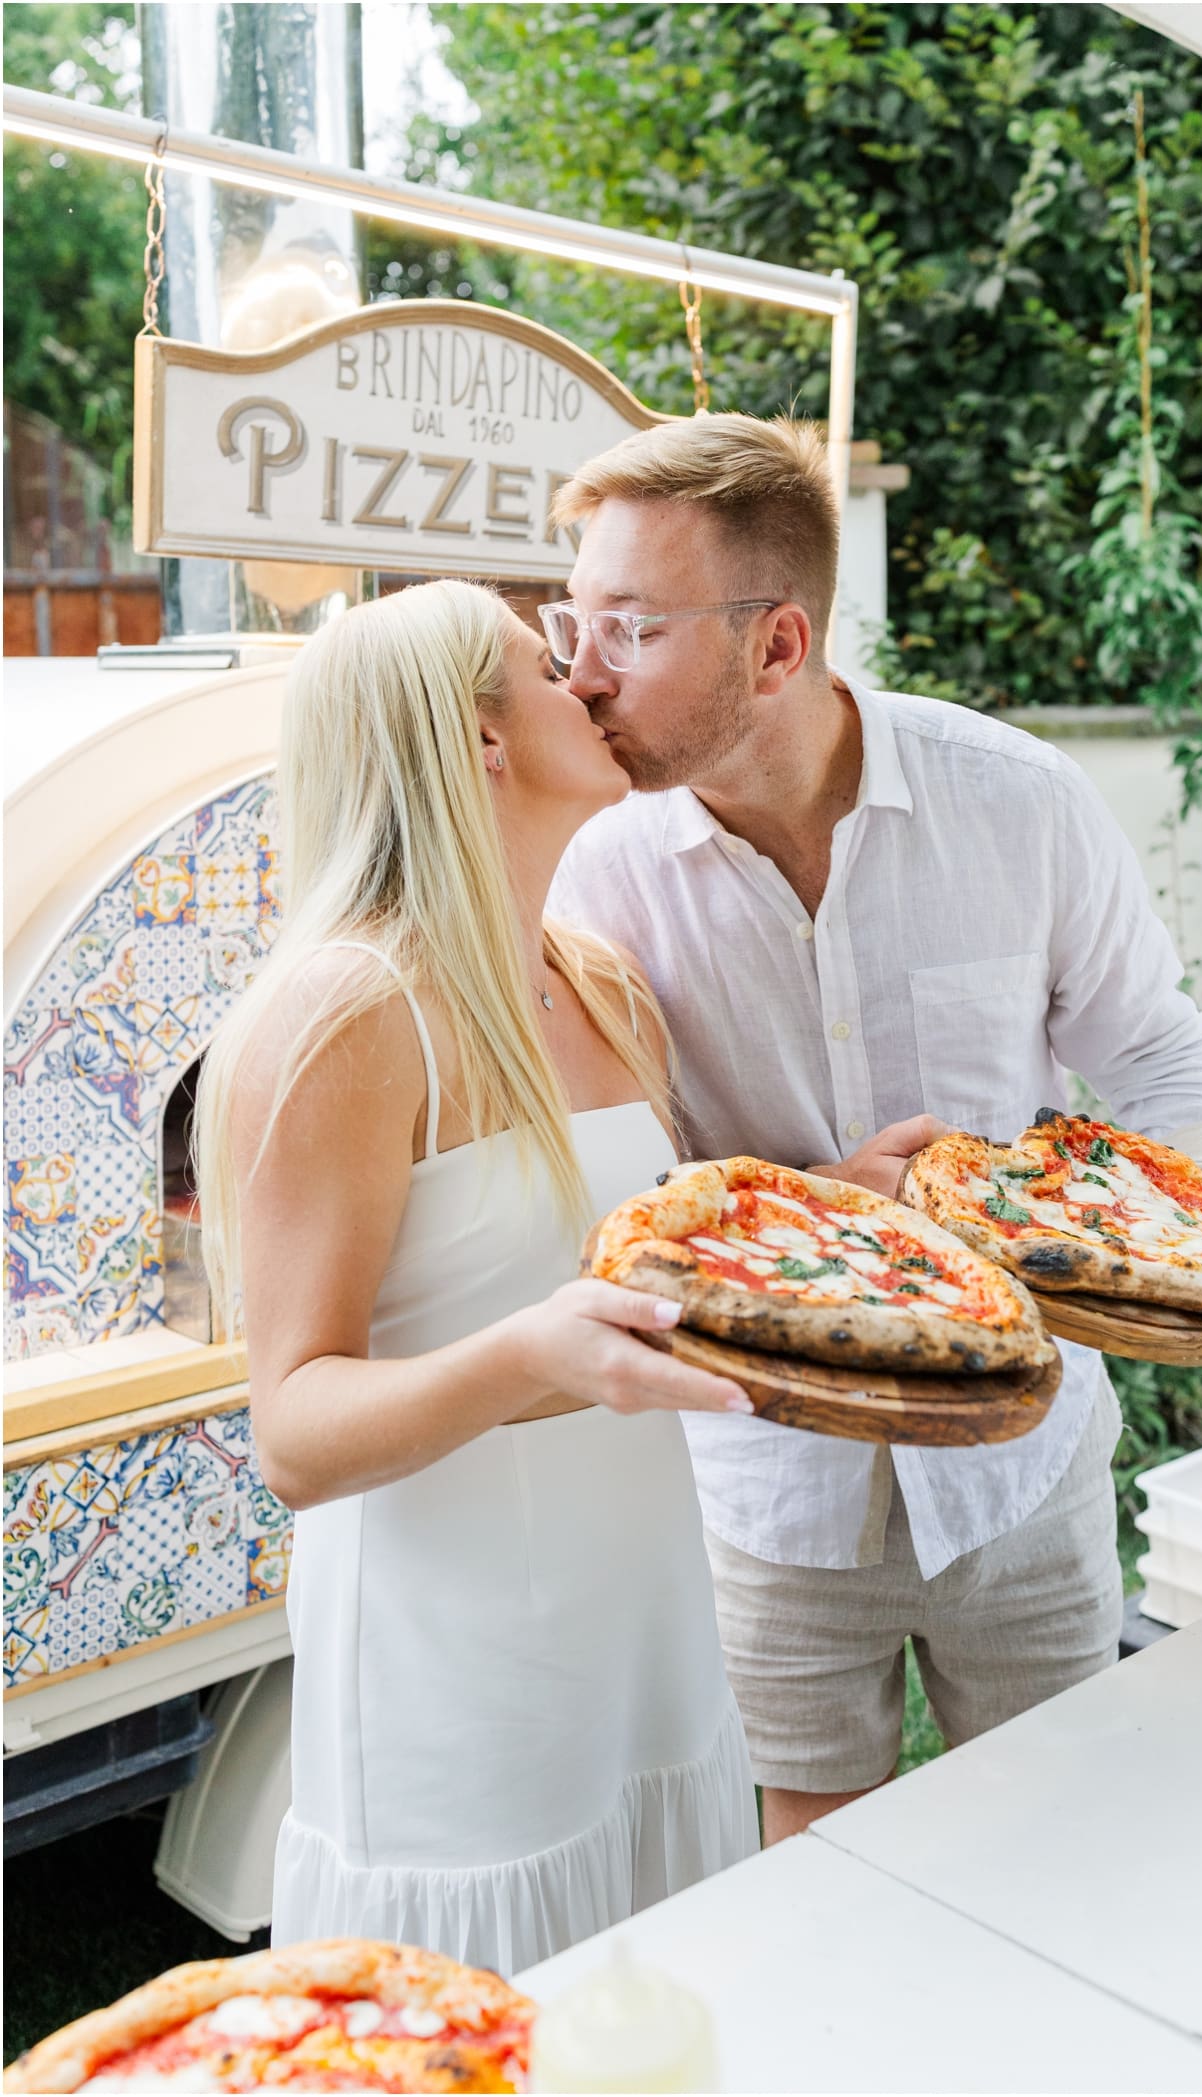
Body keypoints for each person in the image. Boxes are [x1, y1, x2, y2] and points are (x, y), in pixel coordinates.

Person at [546, 414, 1202, 1845]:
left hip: (1022, 1466)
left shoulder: (1018, 804)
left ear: (777, 646)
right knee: (808, 1865)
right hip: (769, 1476)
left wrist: (1198, 1253)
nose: (580, 675)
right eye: (572, 621)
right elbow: (613, 1182)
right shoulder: (596, 873)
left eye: (632, 630)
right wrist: (823, 1212)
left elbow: (1151, 1047)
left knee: (1060, 1845)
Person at [194, 579, 759, 1973]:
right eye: (554, 666)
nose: (596, 685)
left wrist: (828, 1219)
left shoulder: (603, 982)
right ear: (481, 739)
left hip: (651, 1628)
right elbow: (294, 1431)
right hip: (461, 1682)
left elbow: (656, 1266)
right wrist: (527, 1357)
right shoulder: (342, 1017)